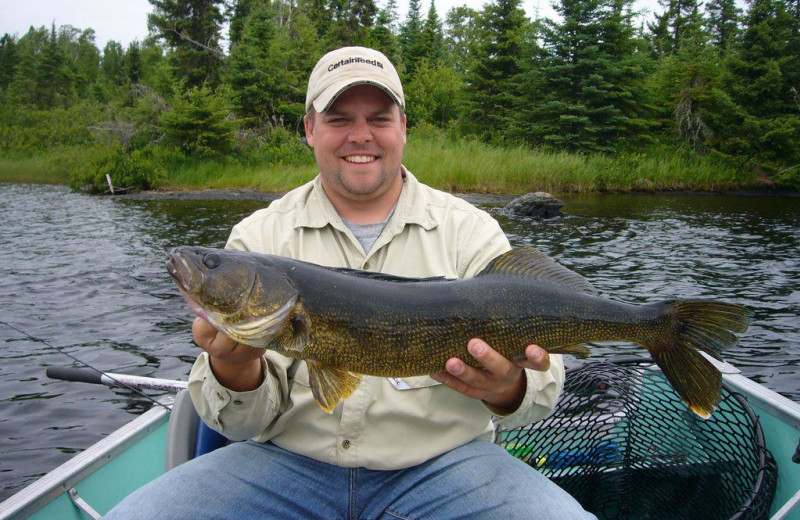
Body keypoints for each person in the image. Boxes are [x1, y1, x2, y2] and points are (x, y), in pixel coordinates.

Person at [105, 46, 596, 519]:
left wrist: (508, 387)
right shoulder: (259, 236)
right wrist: (233, 370)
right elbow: (236, 421)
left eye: (379, 118)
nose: (360, 135)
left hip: (445, 465)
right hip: (285, 464)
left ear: (403, 129)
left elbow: (538, 396)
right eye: (339, 119)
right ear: (310, 129)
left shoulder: (470, 232)